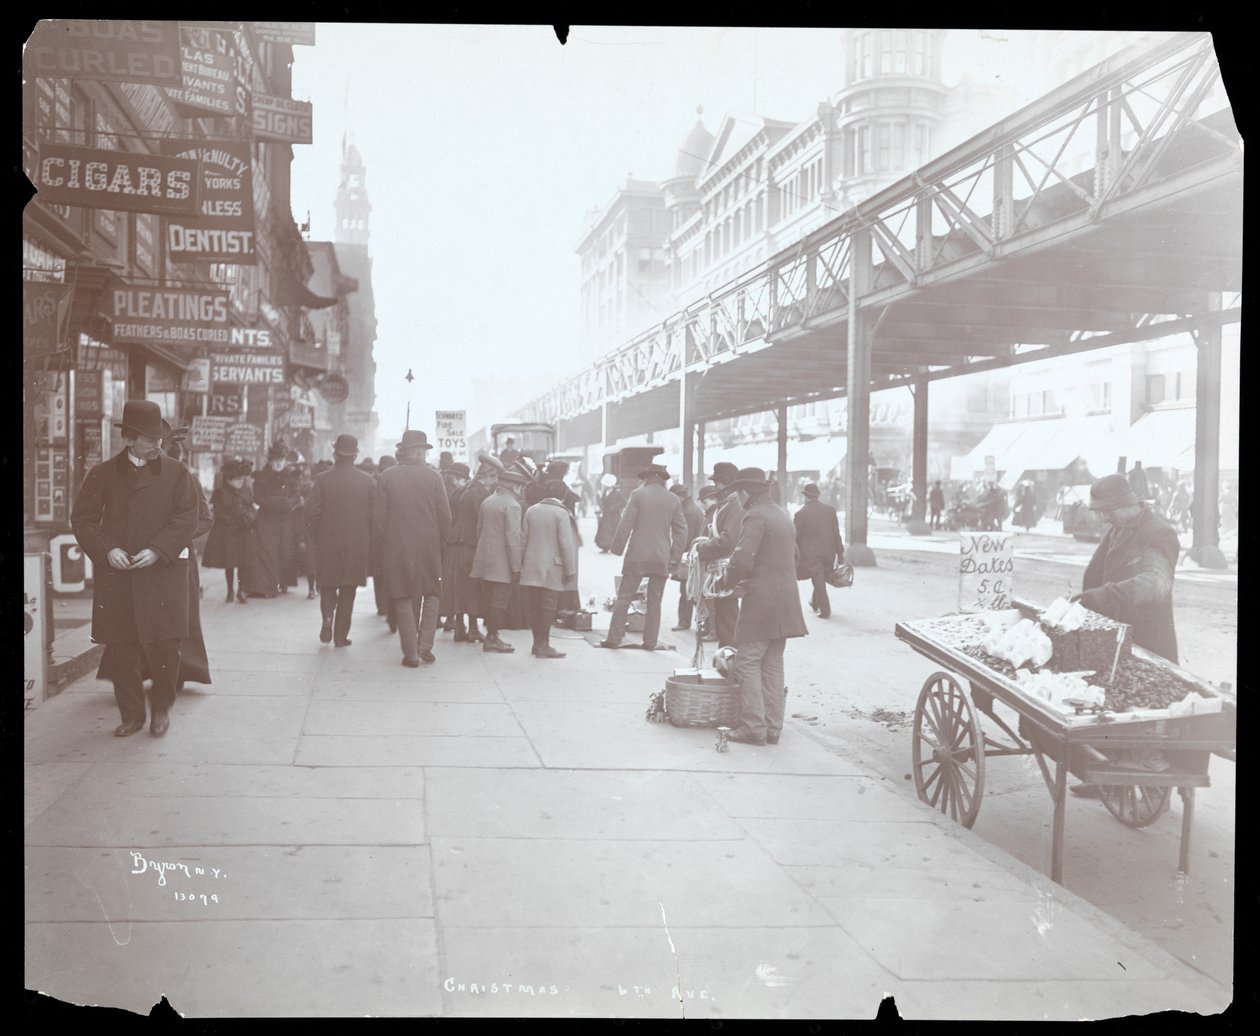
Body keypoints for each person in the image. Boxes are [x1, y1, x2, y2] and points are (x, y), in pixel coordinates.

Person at [70, 400, 202, 738]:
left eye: (159, 437)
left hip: (162, 575)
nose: (157, 444)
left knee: (165, 650)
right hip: (119, 575)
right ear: (129, 439)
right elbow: (83, 520)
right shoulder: (102, 474)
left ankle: (161, 709)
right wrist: (107, 550)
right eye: (149, 438)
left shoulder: (177, 473)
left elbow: (188, 517)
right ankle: (132, 716)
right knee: (121, 650)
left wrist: (158, 550)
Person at [1069, 473, 1181, 798]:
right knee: (1112, 706)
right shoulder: (1118, 528)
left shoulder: (1159, 533)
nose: (1104, 517)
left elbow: (1154, 584)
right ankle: (1108, 777)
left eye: (1108, 510)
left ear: (1128, 504)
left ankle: (1143, 779)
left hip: (1148, 637)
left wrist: (1101, 596)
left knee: (1143, 711)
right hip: (1116, 634)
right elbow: (1100, 570)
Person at [716, 467, 809, 746]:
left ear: (746, 492)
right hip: (786, 599)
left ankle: (752, 727)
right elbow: (795, 557)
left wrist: (725, 581)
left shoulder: (754, 515)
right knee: (772, 663)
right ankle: (772, 727)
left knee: (747, 660)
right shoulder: (782, 514)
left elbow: (743, 559)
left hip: (762, 600)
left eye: (739, 493)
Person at [374, 430, 451, 667]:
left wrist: (385, 544)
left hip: (397, 546)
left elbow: (378, 520)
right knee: (432, 593)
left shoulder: (386, 477)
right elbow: (445, 517)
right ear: (418, 452)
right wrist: (440, 543)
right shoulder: (434, 477)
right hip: (429, 545)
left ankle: (411, 654)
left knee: (403, 595)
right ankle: (425, 646)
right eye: (424, 451)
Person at [598, 463, 686, 650]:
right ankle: (650, 642)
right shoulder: (674, 500)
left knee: (624, 597)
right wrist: (675, 558)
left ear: (647, 478)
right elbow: (681, 532)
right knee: (655, 601)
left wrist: (617, 548)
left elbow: (626, 524)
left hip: (637, 555)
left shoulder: (638, 495)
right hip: (661, 557)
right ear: (663, 479)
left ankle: (614, 639)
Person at [306, 434, 377, 648]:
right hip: (356, 545)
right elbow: (374, 518)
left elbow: (311, 513)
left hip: (327, 543)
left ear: (334, 453)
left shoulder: (322, 479)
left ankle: (327, 617)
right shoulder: (368, 481)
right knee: (348, 590)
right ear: (355, 455)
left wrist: (318, 535)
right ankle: (340, 635)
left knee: (327, 585)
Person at [470, 463, 531, 653]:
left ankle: (491, 635)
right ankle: (492, 638)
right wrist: (516, 567)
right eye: (520, 486)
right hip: (502, 563)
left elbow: (478, 531)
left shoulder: (488, 501)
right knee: (500, 600)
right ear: (514, 486)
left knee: (490, 599)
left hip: (483, 560)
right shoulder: (512, 505)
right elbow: (513, 539)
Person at [520, 479, 581, 658]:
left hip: (531, 566)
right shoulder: (561, 513)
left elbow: (522, 540)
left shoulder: (531, 510)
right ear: (563, 495)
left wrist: (521, 564)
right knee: (548, 605)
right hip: (553, 566)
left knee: (534, 605)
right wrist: (571, 570)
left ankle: (536, 643)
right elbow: (566, 544)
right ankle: (543, 644)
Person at [448, 454, 501, 642]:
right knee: (472, 588)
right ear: (488, 475)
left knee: (458, 587)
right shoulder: (480, 493)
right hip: (471, 544)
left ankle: (459, 627)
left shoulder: (460, 490)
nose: (495, 482)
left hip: (454, 544)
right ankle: (473, 629)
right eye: (494, 478)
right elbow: (482, 521)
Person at [694, 462, 743, 648]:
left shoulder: (734, 506)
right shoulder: (727, 505)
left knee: (728, 621)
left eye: (718, 483)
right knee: (725, 619)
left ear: (727, 484)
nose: (715, 487)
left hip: (727, 571)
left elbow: (727, 541)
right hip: (722, 572)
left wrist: (703, 548)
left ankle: (729, 661)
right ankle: (726, 659)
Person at [240, 442, 294, 598]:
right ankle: (268, 587)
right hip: (267, 520)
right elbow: (258, 497)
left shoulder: (289, 475)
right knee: (268, 552)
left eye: (282, 460)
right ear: (270, 461)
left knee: (285, 551)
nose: (279, 464)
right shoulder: (262, 476)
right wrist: (274, 503)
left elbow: (295, 494)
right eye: (276, 460)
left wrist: (288, 503)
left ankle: (282, 581)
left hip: (284, 519)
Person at [203, 459, 257, 604]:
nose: (239, 482)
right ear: (228, 480)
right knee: (230, 563)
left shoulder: (246, 491)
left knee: (243, 563)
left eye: (241, 479)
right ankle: (230, 591)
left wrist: (249, 518)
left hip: (243, 531)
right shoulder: (221, 493)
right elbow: (219, 514)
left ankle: (241, 590)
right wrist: (235, 522)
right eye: (236, 479)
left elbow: (251, 507)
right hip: (229, 532)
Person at [793, 482, 844, 619]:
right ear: (817, 496)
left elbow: (794, 536)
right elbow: (836, 533)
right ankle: (815, 603)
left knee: (818, 578)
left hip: (811, 554)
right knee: (819, 576)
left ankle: (825, 610)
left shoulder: (801, 513)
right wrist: (840, 553)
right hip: (828, 552)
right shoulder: (830, 510)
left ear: (805, 496)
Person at [669, 483, 706, 633]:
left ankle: (685, 622)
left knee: (687, 591)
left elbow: (685, 536)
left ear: (679, 496)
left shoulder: (687, 512)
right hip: (695, 555)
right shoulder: (691, 509)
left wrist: (677, 556)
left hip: (689, 556)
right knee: (692, 590)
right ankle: (700, 623)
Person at [439, 461, 472, 632]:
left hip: (450, 538)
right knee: (456, 582)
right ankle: (452, 619)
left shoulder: (452, 491)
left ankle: (450, 618)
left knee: (451, 581)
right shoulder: (459, 492)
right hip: (457, 539)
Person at [371, 454, 397, 621]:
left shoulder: (374, 483)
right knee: (392, 574)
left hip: (378, 537)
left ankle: (382, 606)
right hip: (393, 536)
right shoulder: (395, 482)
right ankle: (389, 607)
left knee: (379, 574)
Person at [594, 473, 625, 552]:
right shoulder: (605, 492)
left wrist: (613, 508)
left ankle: (612, 547)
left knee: (612, 531)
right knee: (604, 531)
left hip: (614, 515)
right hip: (606, 515)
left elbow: (623, 502)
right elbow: (603, 501)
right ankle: (605, 547)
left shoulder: (617, 493)